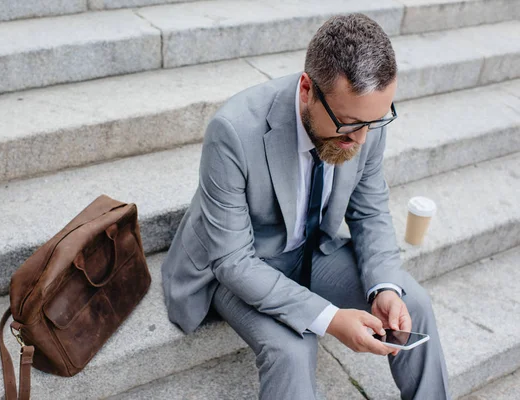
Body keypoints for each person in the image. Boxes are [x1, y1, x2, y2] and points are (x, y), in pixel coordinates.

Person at [161, 13, 450, 400]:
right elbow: (232, 261)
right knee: (295, 349)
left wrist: (384, 287)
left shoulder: (364, 121)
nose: (361, 138)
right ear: (306, 89)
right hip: (239, 265)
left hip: (313, 249)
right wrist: (329, 318)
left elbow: (370, 211)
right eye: (348, 124)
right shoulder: (232, 131)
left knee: (413, 301)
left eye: (374, 122)